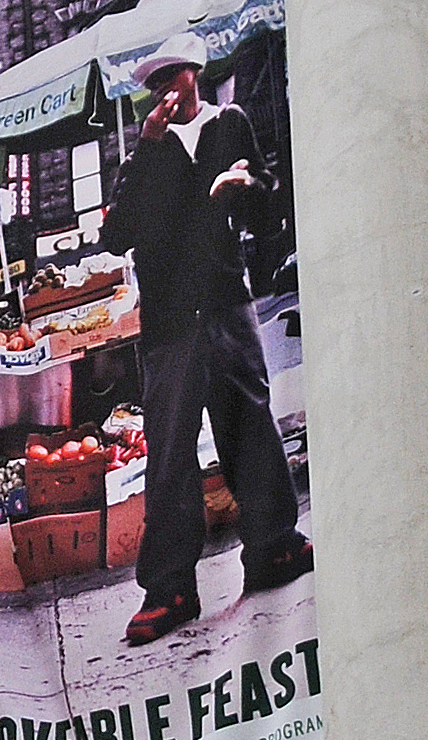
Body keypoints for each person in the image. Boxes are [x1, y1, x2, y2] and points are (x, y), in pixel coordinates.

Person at [98, 35, 311, 649]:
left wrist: (244, 187)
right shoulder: (144, 153)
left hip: (224, 300)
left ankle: (273, 546)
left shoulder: (230, 124)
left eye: (174, 74)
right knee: (168, 451)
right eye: (155, 80)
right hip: (167, 320)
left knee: (249, 420)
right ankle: (169, 588)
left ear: (195, 72)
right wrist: (147, 151)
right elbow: (116, 235)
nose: (165, 87)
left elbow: (267, 202)